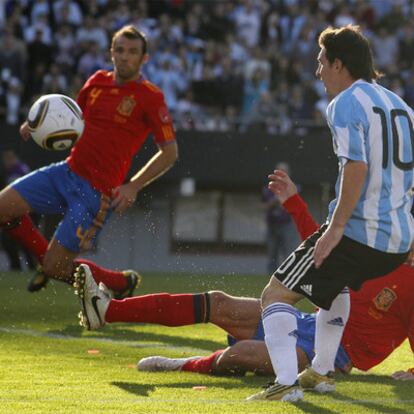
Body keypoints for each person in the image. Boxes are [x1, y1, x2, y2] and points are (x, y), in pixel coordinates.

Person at [72, 171, 414, 382]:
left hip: (333, 358)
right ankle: (107, 311)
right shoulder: (377, 248)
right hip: (308, 323)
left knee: (248, 353)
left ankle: (182, 365)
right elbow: (321, 249)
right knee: (220, 302)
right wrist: (295, 202)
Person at [249, 25, 414, 402]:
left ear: (339, 64)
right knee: (334, 287)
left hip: (360, 232)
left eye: (321, 62)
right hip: (398, 241)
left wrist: (335, 229)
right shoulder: (402, 106)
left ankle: (285, 383)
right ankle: (320, 373)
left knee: (274, 295)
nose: (318, 72)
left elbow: (356, 168)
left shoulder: (343, 103)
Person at [0, 25, 178, 298]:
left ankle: (117, 283)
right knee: (2, 208)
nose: (125, 56)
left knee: (56, 268)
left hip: (96, 194)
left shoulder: (150, 97)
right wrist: (37, 124)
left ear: (144, 59)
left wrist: (133, 186)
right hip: (66, 172)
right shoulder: (96, 81)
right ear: (111, 53)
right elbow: (72, 116)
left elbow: (170, 152)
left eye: (132, 52)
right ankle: (51, 263)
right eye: (119, 50)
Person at [262, 161, 299, 272]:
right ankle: (271, 279)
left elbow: (295, 206)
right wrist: (274, 201)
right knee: (272, 254)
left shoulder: (293, 188)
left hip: (287, 225)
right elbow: (263, 206)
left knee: (288, 253)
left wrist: (284, 203)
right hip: (272, 224)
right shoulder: (268, 188)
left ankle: (289, 277)